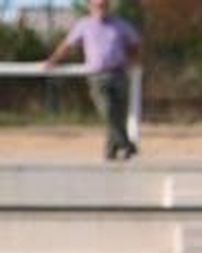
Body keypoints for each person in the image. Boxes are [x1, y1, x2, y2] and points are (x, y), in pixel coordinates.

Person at [41, 0, 141, 161]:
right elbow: (68, 45)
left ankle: (112, 152)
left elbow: (135, 43)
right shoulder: (84, 25)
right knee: (108, 111)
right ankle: (127, 144)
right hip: (97, 77)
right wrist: (53, 60)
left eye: (104, 5)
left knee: (119, 114)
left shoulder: (121, 25)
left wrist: (133, 61)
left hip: (119, 74)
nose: (101, 9)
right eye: (98, 5)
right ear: (91, 7)